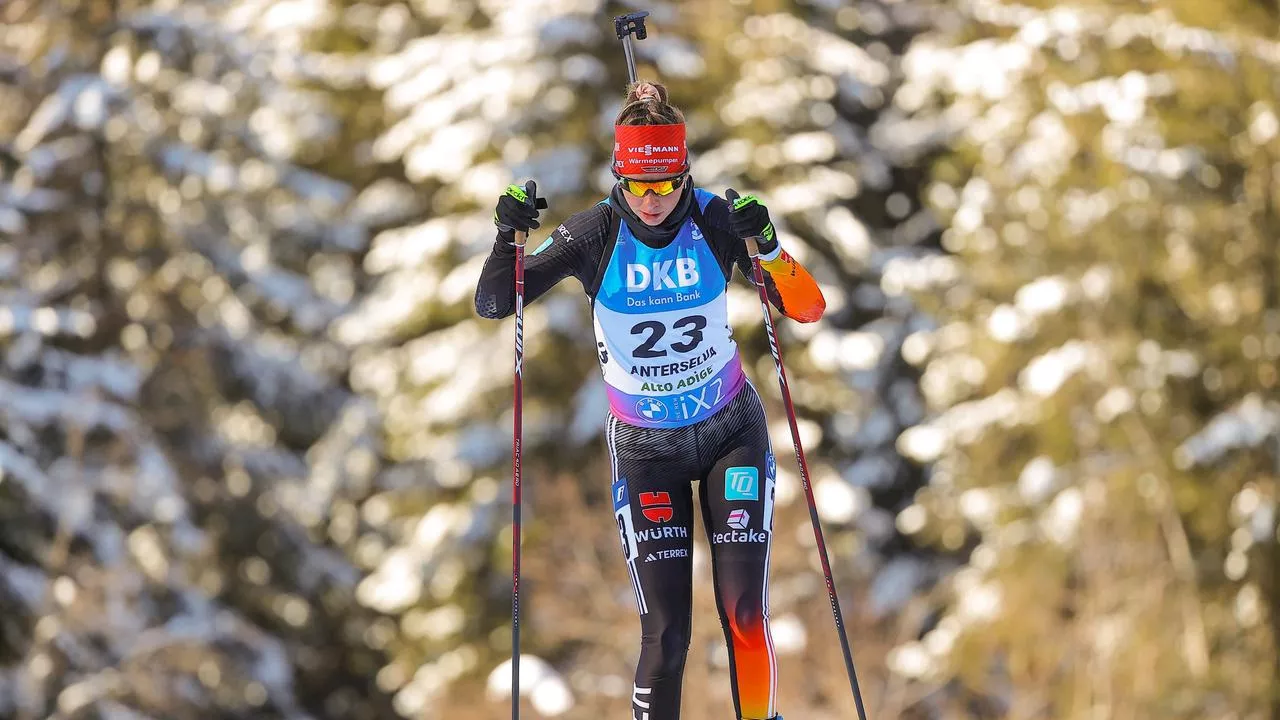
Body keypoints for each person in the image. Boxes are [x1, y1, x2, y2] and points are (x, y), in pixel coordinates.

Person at [474, 80, 825, 720]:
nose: (655, 200)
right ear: (620, 178)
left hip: (730, 434)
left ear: (685, 174)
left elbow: (807, 307)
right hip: (646, 452)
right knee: (666, 636)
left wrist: (767, 246)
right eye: (640, 186)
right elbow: (497, 301)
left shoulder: (716, 220)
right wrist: (508, 238)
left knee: (745, 612)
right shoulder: (592, 235)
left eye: (667, 184)